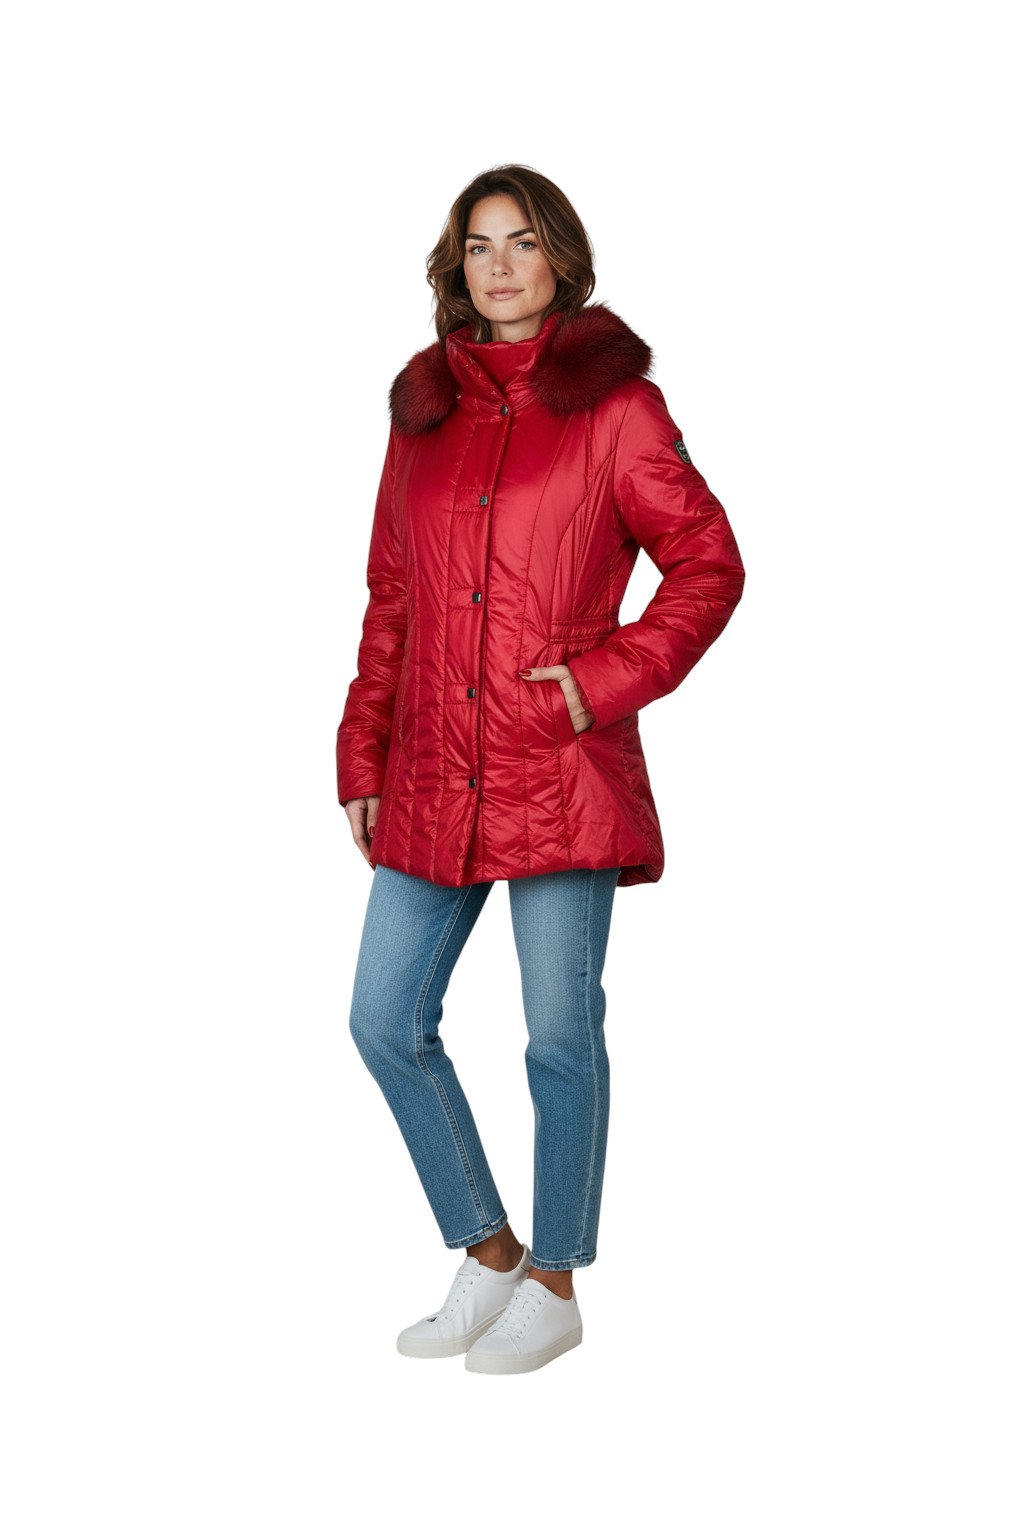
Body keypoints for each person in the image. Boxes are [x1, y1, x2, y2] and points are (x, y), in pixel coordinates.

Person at [337, 164, 746, 1375]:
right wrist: (361, 751)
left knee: (559, 1033)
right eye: (479, 246)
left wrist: (596, 681)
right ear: (455, 267)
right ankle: (490, 1250)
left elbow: (708, 563)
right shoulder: (423, 413)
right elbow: (393, 595)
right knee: (382, 1019)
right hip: (429, 763)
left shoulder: (618, 409)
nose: (500, 265)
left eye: (521, 242)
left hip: (554, 764)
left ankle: (557, 1282)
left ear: (559, 258)